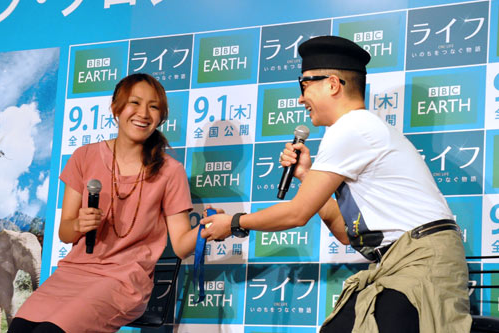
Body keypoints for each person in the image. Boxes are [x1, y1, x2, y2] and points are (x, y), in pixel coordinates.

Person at [201, 36, 472, 332]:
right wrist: (306, 174)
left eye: (303, 85)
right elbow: (345, 233)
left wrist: (235, 223)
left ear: (332, 84)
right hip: (403, 261)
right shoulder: (359, 128)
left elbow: (296, 214)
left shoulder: (350, 128)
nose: (300, 98)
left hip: (420, 262)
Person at [9, 73, 199, 333]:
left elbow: (180, 246)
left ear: (161, 117)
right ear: (116, 109)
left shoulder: (170, 171)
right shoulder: (84, 156)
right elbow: (66, 233)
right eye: (135, 103)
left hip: (122, 281)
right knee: (19, 329)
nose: (143, 113)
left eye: (153, 107)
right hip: (73, 273)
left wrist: (207, 230)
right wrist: (78, 223)